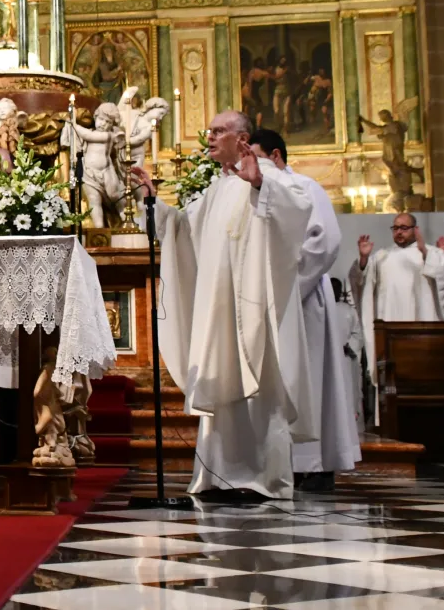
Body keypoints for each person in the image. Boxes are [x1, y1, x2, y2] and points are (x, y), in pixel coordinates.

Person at [132, 111, 315, 500]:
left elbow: (297, 210)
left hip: (258, 308)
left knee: (260, 388)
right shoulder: (216, 189)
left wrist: (260, 183)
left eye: (218, 132)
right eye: (209, 131)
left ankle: (267, 479)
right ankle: (220, 475)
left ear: (242, 138)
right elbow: (184, 231)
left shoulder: (272, 176)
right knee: (222, 382)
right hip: (220, 309)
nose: (209, 137)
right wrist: (154, 205)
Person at [250, 129, 356, 489]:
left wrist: (287, 286)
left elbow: (325, 241)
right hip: (265, 299)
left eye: (257, 157)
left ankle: (312, 463)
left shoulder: (306, 187)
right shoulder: (254, 191)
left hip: (303, 296)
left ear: (276, 156)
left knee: (309, 377)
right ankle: (275, 462)